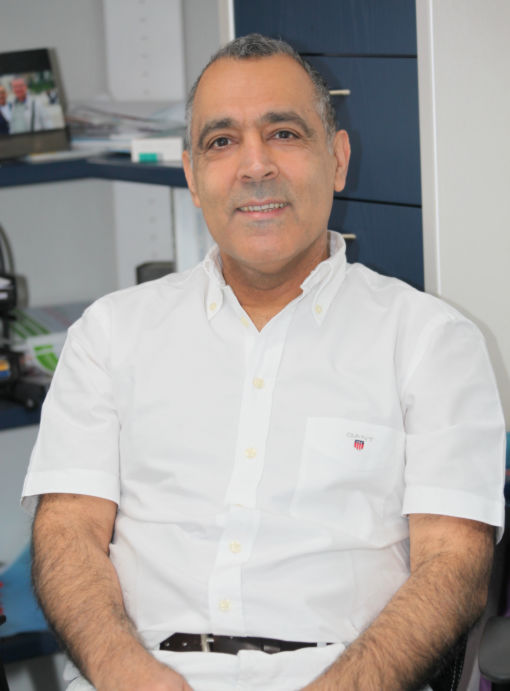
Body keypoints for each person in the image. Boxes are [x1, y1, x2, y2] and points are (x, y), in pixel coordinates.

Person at [23, 34, 505, 691]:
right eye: (222, 141)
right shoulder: (109, 335)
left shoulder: (431, 342)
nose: (255, 166)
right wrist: (127, 674)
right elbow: (67, 531)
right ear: (192, 176)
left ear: (337, 159)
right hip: (139, 673)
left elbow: (455, 564)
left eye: (283, 133)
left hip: (342, 675)